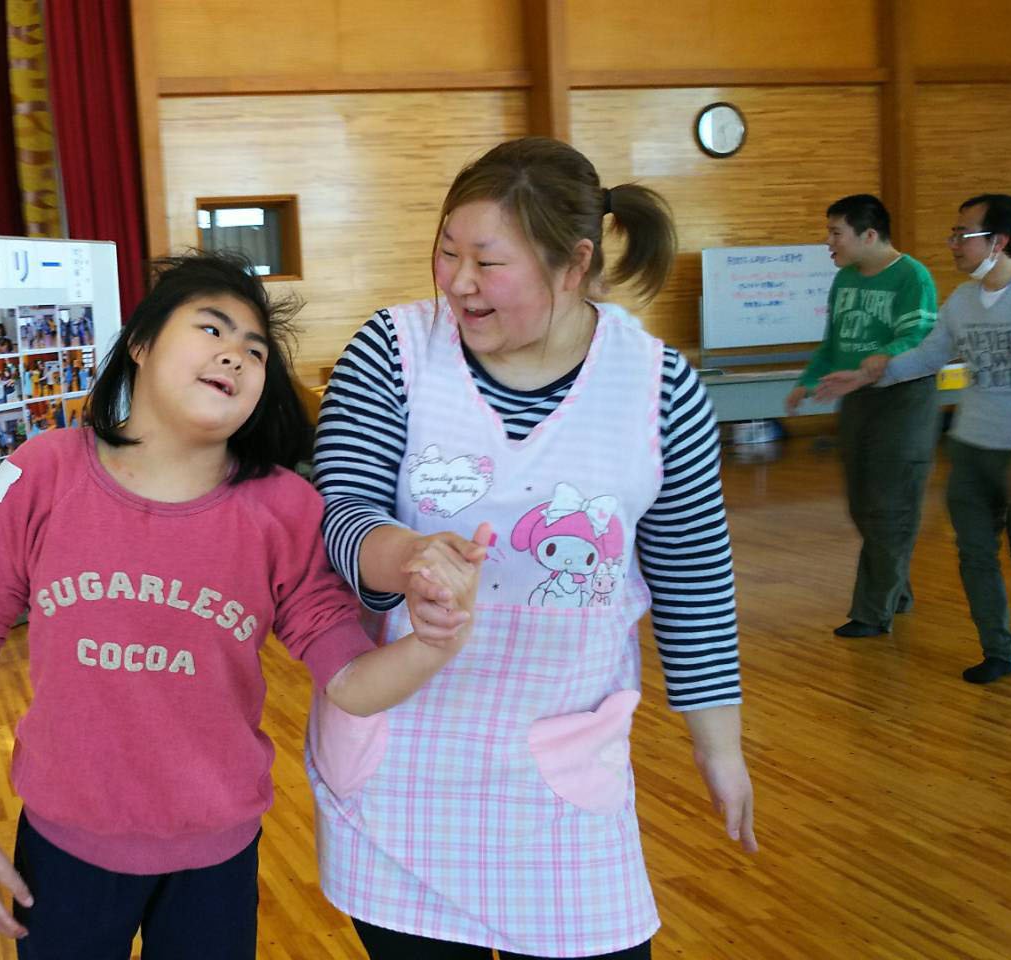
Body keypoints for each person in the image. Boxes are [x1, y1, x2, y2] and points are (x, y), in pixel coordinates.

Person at [0, 252, 490, 959]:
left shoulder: (284, 511)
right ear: (141, 343)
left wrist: (434, 641)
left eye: (255, 351)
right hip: (62, 849)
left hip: (216, 861)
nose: (236, 356)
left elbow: (351, 682)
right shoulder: (42, 474)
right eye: (212, 329)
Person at [309, 137, 756, 960]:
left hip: (560, 771)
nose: (458, 282)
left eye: (488, 261)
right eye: (448, 251)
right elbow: (342, 513)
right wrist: (408, 557)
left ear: (575, 263)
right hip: (401, 773)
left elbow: (694, 582)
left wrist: (718, 747)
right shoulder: (394, 351)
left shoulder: (659, 387)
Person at [818, 194, 1011, 684]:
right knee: (975, 552)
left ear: (999, 241)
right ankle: (997, 649)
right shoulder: (962, 301)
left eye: (962, 234)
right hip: (972, 443)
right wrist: (865, 375)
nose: (952, 244)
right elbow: (928, 356)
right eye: (953, 234)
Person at [786, 194, 941, 638]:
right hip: (855, 398)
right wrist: (807, 381)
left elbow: (918, 336)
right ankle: (896, 591)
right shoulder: (845, 280)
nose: (829, 242)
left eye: (836, 233)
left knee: (889, 507)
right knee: (862, 506)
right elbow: (832, 342)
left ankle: (872, 613)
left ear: (869, 235)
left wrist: (880, 358)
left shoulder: (912, 276)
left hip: (902, 401)